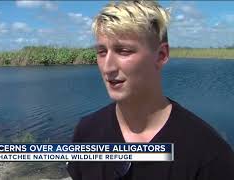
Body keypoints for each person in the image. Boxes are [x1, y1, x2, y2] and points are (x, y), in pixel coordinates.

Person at [67, 0, 234, 179]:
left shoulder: (208, 155)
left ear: (161, 55)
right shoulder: (87, 132)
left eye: (123, 51)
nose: (108, 67)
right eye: (102, 52)